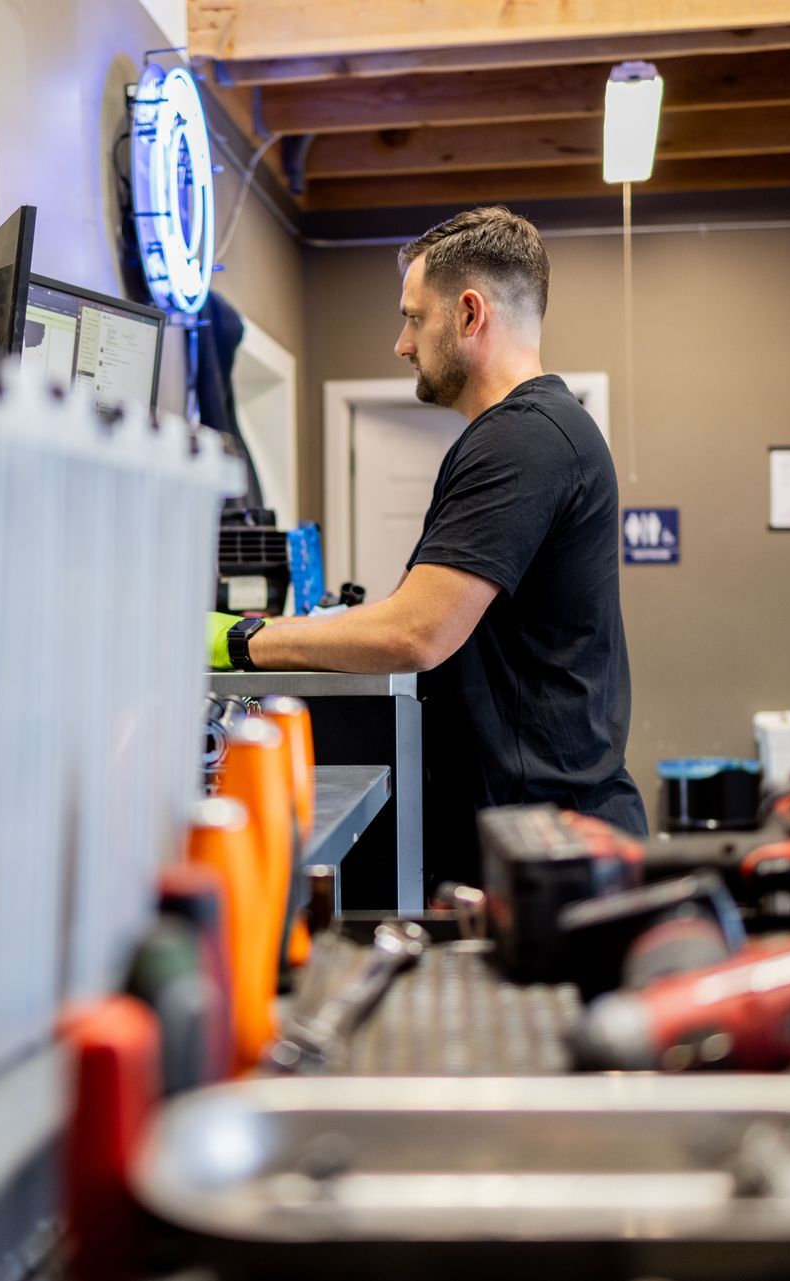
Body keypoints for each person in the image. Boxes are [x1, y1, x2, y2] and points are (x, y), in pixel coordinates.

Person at [210, 206, 645, 881]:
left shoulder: (523, 439)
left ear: (469, 314)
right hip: (532, 827)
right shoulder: (529, 434)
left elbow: (418, 630)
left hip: (545, 843)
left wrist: (242, 639)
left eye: (414, 317)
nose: (401, 343)